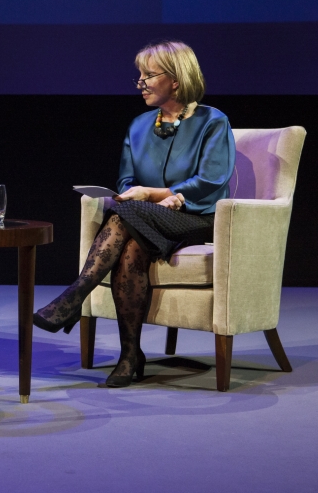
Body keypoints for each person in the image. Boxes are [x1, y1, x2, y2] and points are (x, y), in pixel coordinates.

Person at [33, 41, 235, 387]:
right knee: (128, 251)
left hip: (194, 217)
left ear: (175, 79)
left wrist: (160, 195)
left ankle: (76, 295)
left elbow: (209, 180)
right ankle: (130, 354)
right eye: (138, 76)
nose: (140, 82)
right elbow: (126, 178)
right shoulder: (139, 125)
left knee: (125, 218)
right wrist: (128, 194)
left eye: (148, 75)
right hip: (143, 217)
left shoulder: (212, 121)